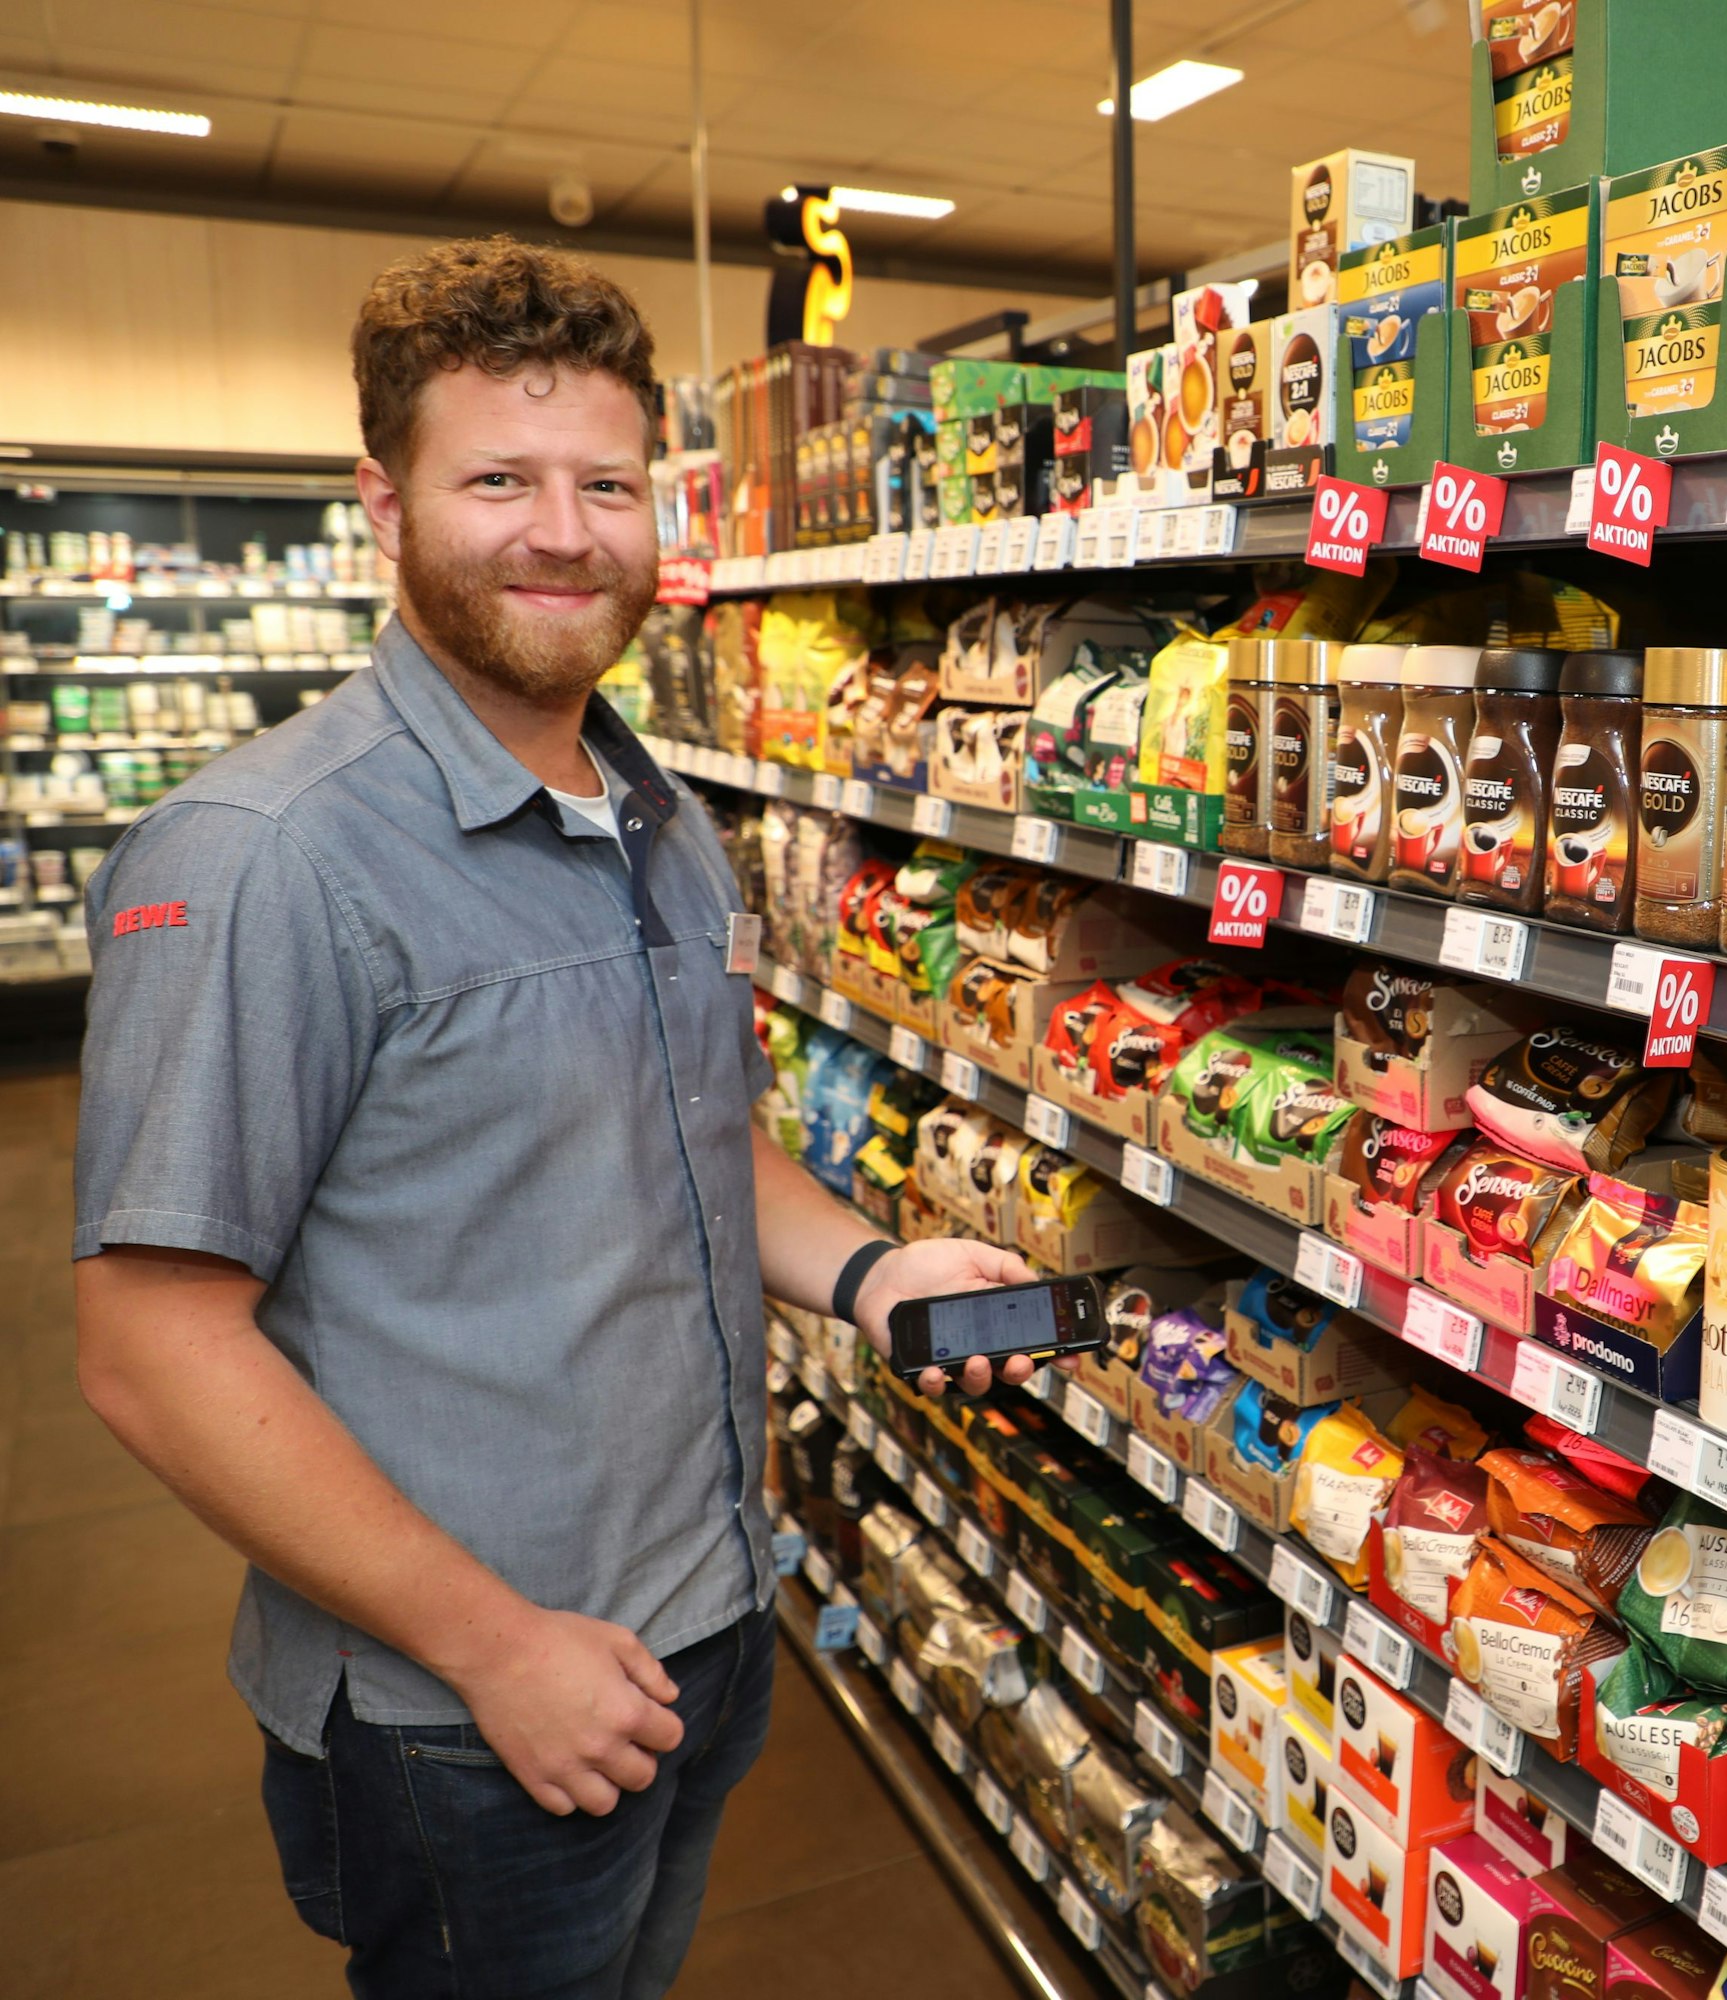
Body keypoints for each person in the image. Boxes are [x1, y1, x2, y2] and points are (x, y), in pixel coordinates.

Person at [70, 235, 1041, 1999]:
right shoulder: (264, 856)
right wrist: (496, 1648)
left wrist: (875, 1272)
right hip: (470, 1708)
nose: (565, 532)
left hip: (707, 1615)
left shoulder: (653, 813)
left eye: (607, 483)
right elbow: (153, 1345)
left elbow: (693, 1133)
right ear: (385, 504)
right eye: (499, 480)